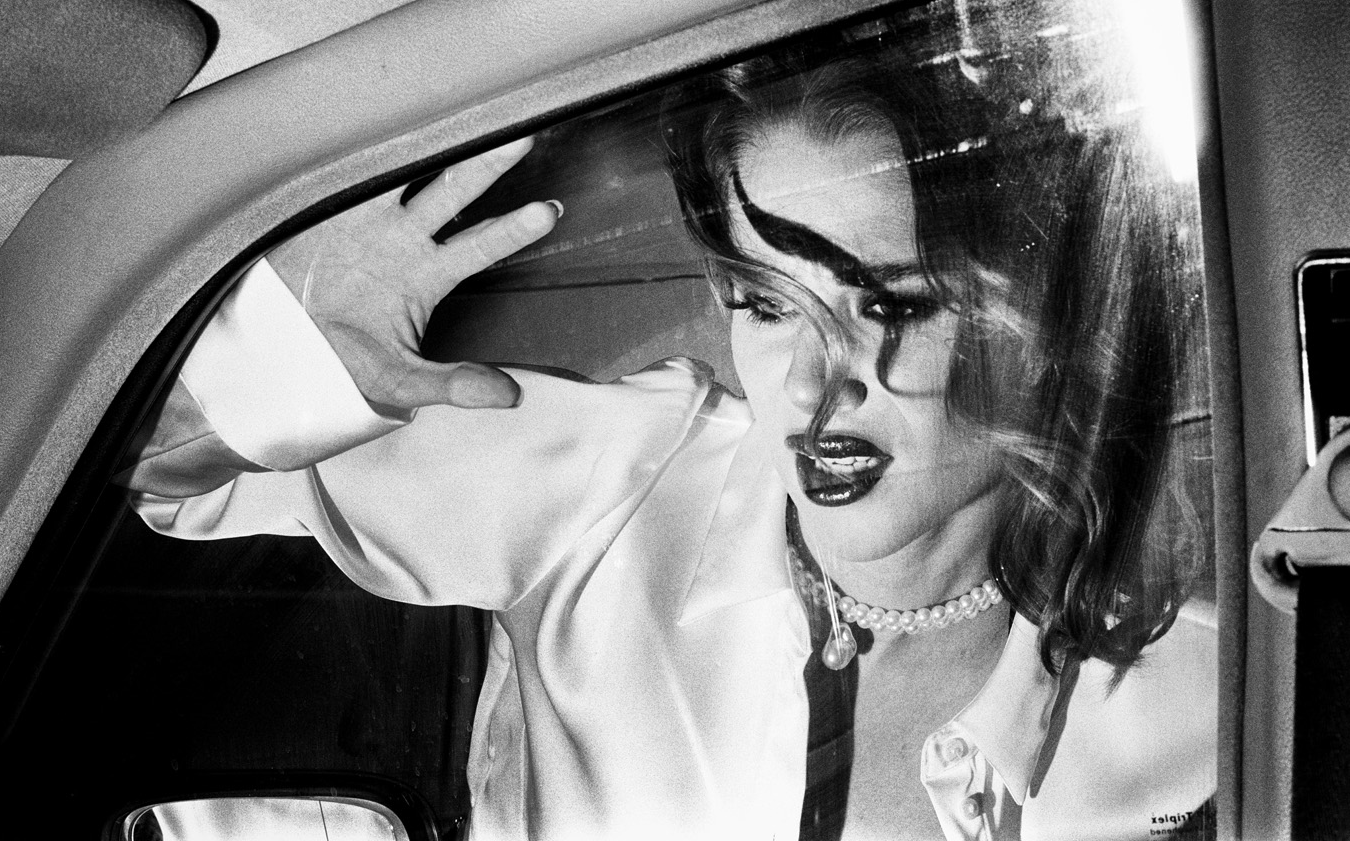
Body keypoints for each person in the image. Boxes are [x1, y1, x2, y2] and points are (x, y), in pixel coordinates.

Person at [120, 44, 1216, 841]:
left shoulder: (1198, 700)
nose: (810, 387)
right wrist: (288, 355)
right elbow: (157, 482)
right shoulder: (613, 484)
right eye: (765, 302)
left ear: (1051, 324)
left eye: (890, 304)